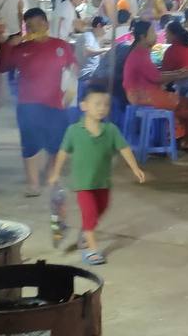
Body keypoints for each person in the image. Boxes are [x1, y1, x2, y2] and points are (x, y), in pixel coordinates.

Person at [48, 90, 145, 265]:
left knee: (102, 208)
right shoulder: (73, 131)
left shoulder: (111, 130)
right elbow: (63, 152)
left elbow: (124, 148)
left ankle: (85, 231)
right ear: (84, 106)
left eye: (106, 105)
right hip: (83, 184)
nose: (102, 108)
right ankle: (91, 250)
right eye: (97, 104)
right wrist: (55, 172)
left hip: (102, 182)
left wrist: (135, 167)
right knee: (90, 213)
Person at [0, 8, 78, 196]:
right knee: (30, 144)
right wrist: (7, 45)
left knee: (56, 144)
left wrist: (71, 86)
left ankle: (50, 175)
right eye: (30, 25)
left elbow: (73, 67)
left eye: (39, 23)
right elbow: (0, 67)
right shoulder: (20, 48)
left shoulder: (61, 45)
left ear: (46, 24)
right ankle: (33, 184)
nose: (35, 28)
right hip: (28, 104)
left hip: (55, 103)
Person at [122, 21, 188, 145]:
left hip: (141, 94)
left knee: (186, 103)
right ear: (143, 36)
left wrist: (179, 72)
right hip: (143, 96)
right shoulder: (140, 53)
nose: (156, 35)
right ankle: (181, 140)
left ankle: (173, 139)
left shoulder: (140, 51)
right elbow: (156, 77)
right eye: (152, 32)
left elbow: (156, 75)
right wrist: (180, 74)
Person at [160, 20, 188, 101]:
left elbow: (164, 74)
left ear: (174, 35)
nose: (165, 35)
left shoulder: (172, 51)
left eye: (166, 33)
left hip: (180, 88)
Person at [77, 16, 111, 93]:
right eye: (107, 28)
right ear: (99, 26)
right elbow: (87, 52)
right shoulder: (88, 36)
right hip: (87, 75)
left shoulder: (93, 37)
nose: (107, 31)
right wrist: (106, 49)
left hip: (90, 75)